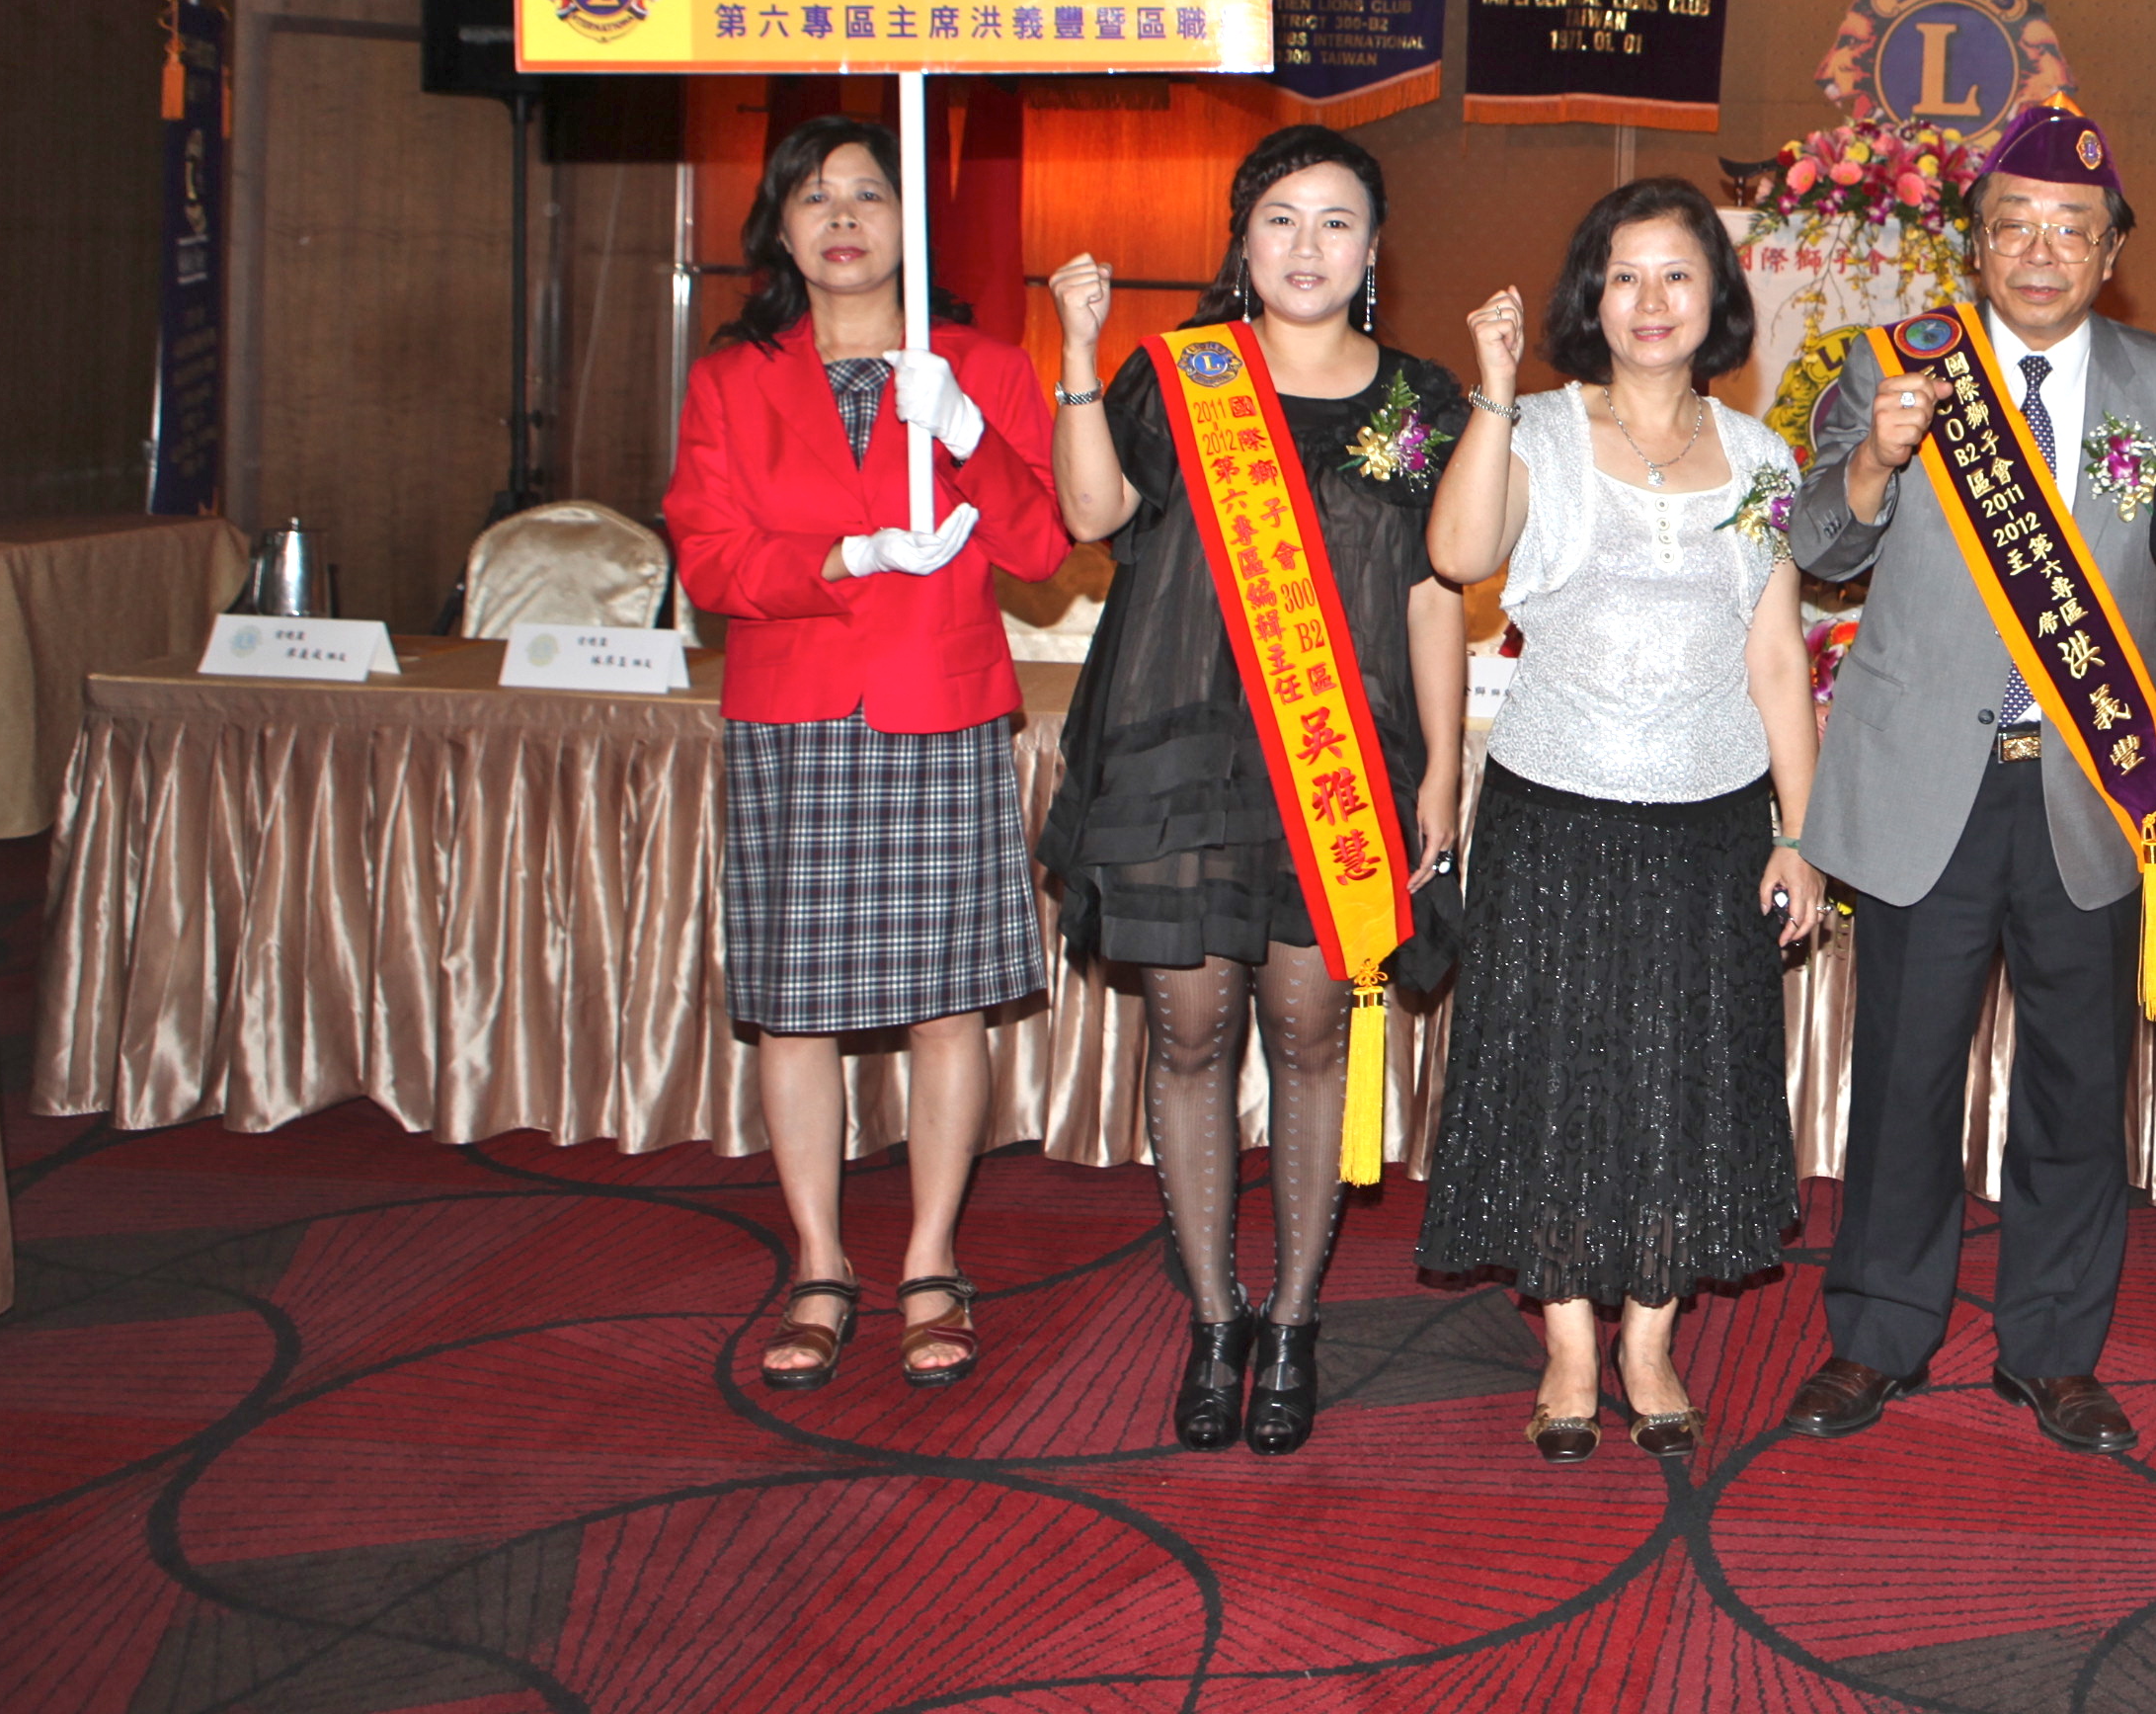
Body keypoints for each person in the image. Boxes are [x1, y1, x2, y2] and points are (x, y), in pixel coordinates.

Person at [1778, 98, 2156, 1456]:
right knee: (1904, 1075)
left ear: (2112, 251)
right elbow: (1818, 548)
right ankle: (1878, 1333)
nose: (2041, 251)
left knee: (2080, 1088)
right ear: (1975, 245)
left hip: (2094, 787)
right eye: (2015, 225)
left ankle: (2054, 1350)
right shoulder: (1892, 364)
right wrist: (1874, 459)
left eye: (2071, 229)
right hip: (1927, 784)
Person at [1032, 125, 1469, 1458]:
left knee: (1311, 1033)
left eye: (1336, 221)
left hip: (1338, 759)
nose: (1306, 246)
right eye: (1280, 218)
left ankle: (1293, 1319)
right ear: (1242, 239)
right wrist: (1077, 350)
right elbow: (1092, 516)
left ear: (1374, 248)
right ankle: (1215, 1315)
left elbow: (1431, 590)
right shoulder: (1182, 374)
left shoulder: (1416, 401)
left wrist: (1444, 765)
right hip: (1182, 749)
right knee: (1188, 1033)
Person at [666, 113, 1072, 1393]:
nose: (843, 216)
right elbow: (707, 559)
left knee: (947, 1004)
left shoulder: (981, 365)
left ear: (911, 221)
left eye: (869, 192)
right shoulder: (732, 377)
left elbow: (1044, 547)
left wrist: (965, 434)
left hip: (937, 709)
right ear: (779, 228)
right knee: (795, 1009)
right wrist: (843, 555)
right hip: (792, 715)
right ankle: (820, 1261)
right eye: (814, 195)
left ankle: (933, 1257)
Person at [1414, 178, 1817, 1463]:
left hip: (1710, 821)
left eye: (1677, 274)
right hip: (1556, 814)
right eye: (1625, 275)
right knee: (1557, 1077)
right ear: (1592, 296)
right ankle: (1571, 1346)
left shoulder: (1763, 460)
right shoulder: (1534, 427)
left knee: (1678, 1080)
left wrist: (1800, 831)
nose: (1651, 300)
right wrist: (1491, 386)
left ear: (1717, 298)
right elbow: (1458, 554)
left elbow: (1776, 657)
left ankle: (1649, 1336)